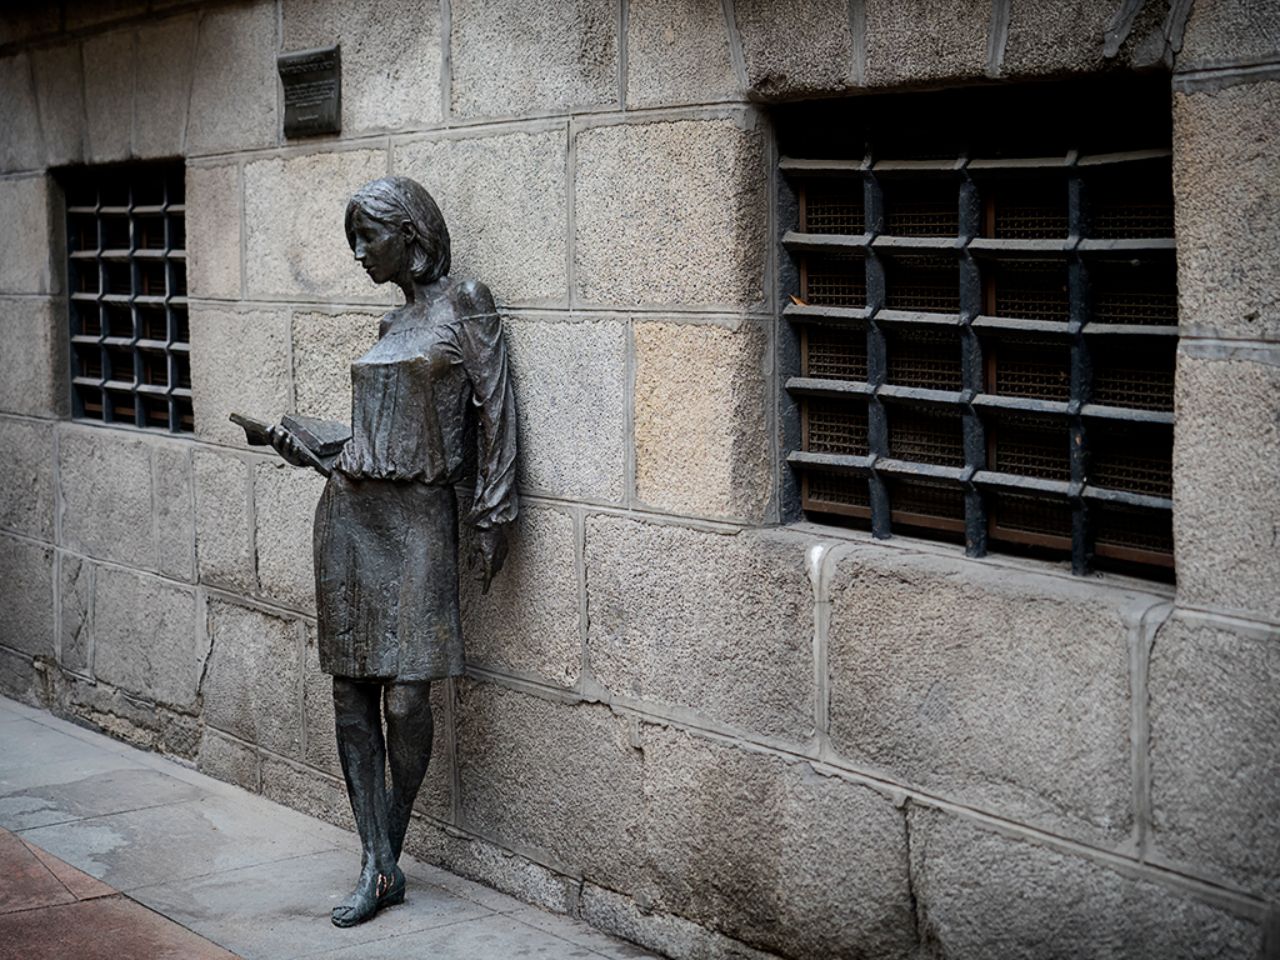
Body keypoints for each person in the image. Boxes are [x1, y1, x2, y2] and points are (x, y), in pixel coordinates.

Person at [268, 176, 517, 927]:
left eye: (365, 238)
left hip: (419, 519)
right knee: (351, 696)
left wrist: (493, 512)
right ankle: (377, 863)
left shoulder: (466, 301)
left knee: (409, 696)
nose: (357, 254)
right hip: (350, 513)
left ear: (409, 233)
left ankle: (385, 852)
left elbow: (497, 411)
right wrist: (304, 439)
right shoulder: (389, 324)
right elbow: (374, 432)